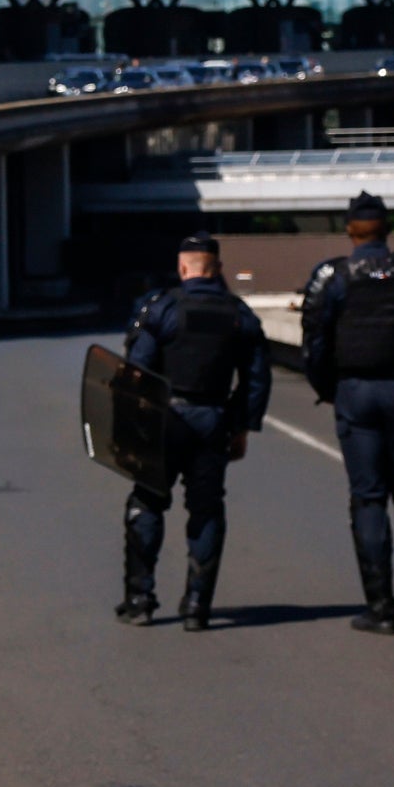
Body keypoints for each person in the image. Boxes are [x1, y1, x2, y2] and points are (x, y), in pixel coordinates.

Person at [299, 189, 394, 632]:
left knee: (368, 498)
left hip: (355, 392)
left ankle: (382, 607)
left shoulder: (334, 277)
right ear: (388, 229)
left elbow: (315, 344)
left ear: (349, 230)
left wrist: (328, 389)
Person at [115, 233, 273, 630]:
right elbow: (256, 379)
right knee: (206, 509)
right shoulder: (239, 314)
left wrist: (133, 427)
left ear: (183, 268)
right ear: (216, 268)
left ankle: (139, 600)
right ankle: (198, 605)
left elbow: (137, 370)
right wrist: (241, 428)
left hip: (164, 419)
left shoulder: (160, 308)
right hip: (212, 421)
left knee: (147, 503)